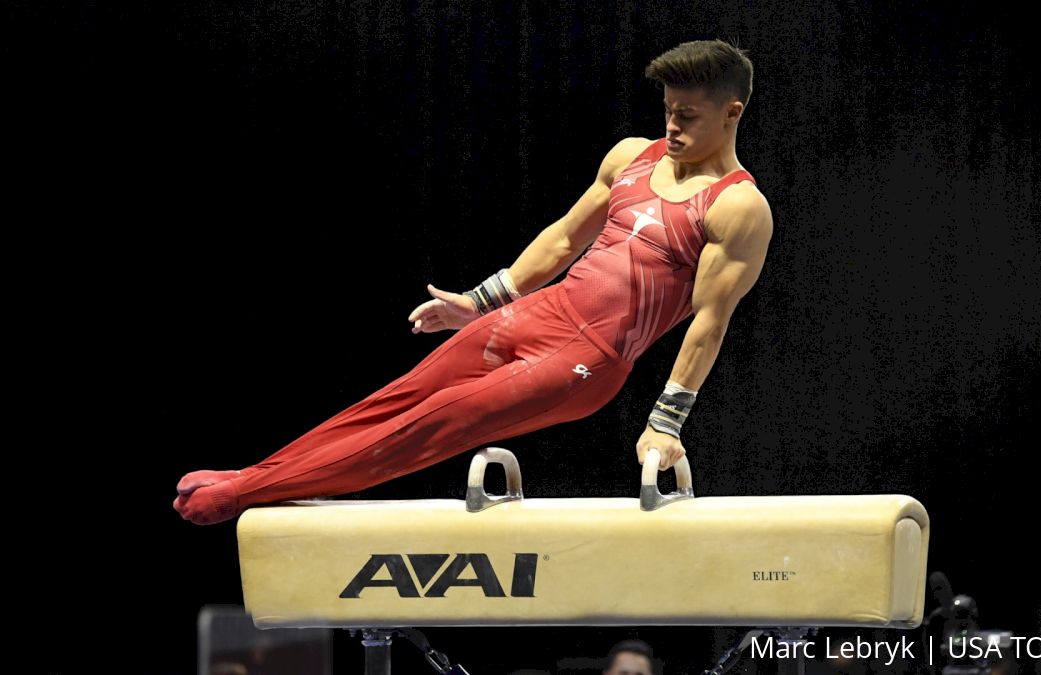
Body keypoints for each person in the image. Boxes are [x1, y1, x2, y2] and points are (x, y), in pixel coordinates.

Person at [174, 38, 773, 525]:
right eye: (667, 109)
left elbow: (709, 321)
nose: (671, 125)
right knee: (396, 398)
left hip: (586, 359)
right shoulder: (631, 156)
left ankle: (245, 493)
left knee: (428, 425)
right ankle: (254, 474)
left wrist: (665, 424)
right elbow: (564, 239)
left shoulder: (737, 207)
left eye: (687, 116)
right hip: (544, 308)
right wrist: (481, 300)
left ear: (732, 112)